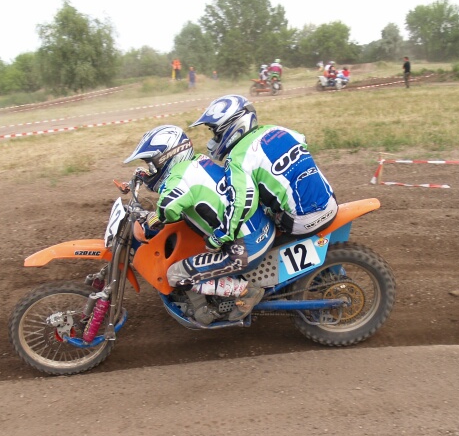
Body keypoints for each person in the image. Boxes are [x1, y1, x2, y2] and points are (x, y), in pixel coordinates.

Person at [124, 125, 275, 322]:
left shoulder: (180, 178)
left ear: (167, 158)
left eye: (152, 164)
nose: (152, 169)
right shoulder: (198, 162)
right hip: (260, 229)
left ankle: (245, 291)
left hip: (245, 248)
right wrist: (147, 177)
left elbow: (168, 209)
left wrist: (154, 216)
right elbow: (176, 188)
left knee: (175, 274)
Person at [190, 94, 338, 239]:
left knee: (255, 213)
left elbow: (241, 204)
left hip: (301, 222)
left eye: (216, 133)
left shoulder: (237, 158)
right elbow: (302, 141)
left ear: (229, 126)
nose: (214, 139)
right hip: (331, 204)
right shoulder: (277, 129)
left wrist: (221, 236)